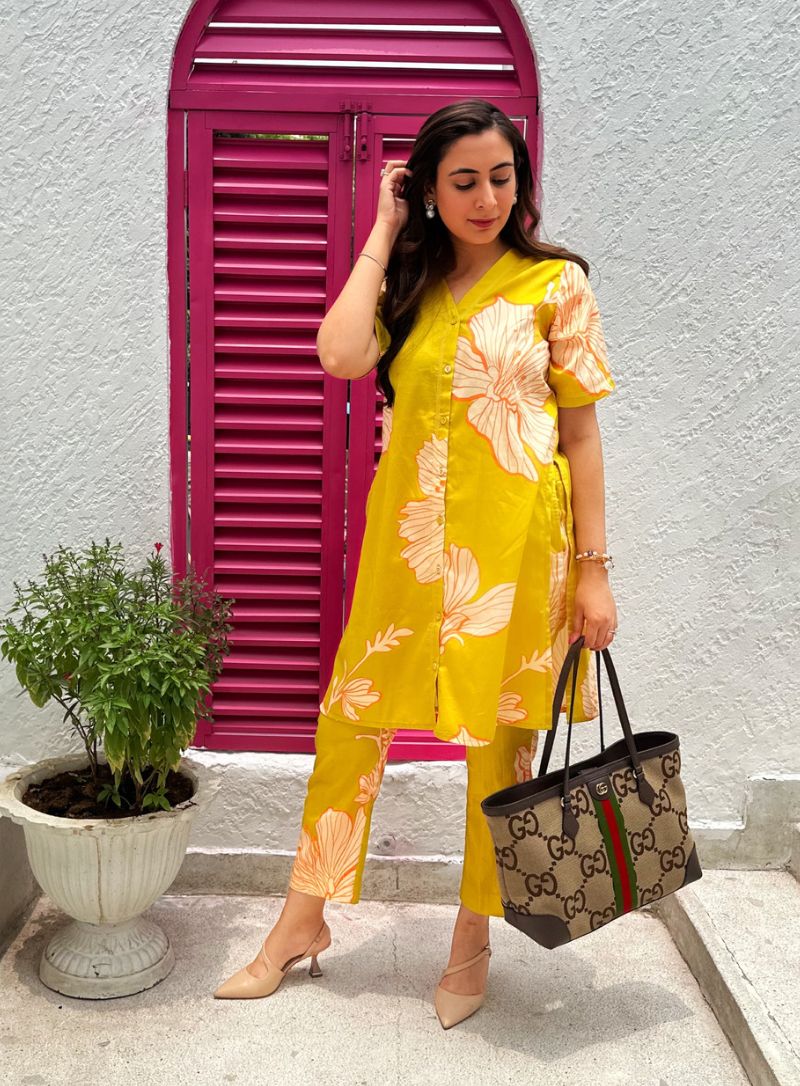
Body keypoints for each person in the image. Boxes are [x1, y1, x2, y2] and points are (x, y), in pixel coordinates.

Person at [213, 98, 619, 1028]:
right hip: (411, 546)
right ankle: (301, 921)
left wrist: (595, 569)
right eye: (463, 181)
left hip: (519, 547)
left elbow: (582, 434)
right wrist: (382, 230)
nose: (486, 199)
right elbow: (337, 354)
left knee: (498, 741)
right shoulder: (411, 282)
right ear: (429, 191)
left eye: (501, 178)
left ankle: (472, 939)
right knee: (351, 721)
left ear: (520, 182)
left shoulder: (556, 285)